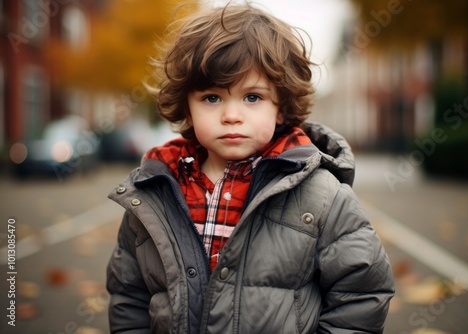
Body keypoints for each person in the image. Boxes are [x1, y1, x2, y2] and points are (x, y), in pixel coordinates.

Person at [106, 3, 394, 334]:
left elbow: (361, 294)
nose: (231, 115)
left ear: (281, 109)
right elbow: (129, 296)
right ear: (187, 105)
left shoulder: (322, 197)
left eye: (252, 97)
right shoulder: (154, 191)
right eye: (212, 98)